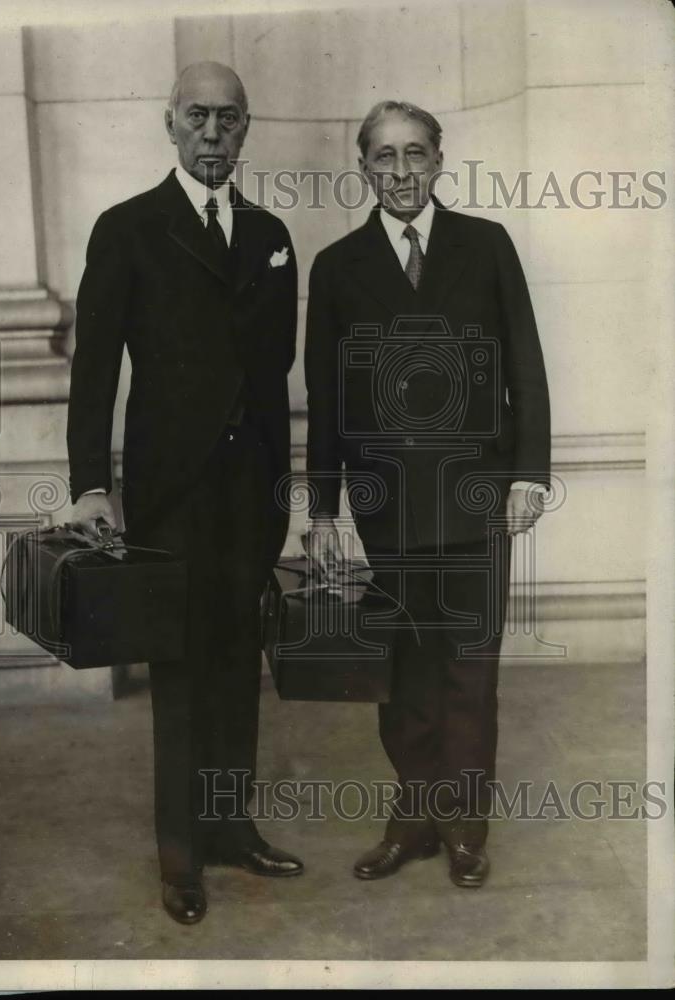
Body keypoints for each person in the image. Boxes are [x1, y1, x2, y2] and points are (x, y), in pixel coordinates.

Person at [67, 61, 303, 925]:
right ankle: (180, 853)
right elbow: (94, 370)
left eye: (229, 119)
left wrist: (289, 485)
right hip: (169, 493)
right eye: (197, 116)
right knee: (179, 668)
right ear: (169, 125)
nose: (213, 132)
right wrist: (91, 484)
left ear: (246, 129)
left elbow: (275, 372)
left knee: (239, 662)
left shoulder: (272, 232)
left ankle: (231, 826)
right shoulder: (127, 229)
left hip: (252, 492)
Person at [305, 100, 551, 888]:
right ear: (364, 167)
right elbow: (327, 398)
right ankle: (411, 821)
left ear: (441, 160)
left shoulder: (486, 246)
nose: (402, 172)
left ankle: (465, 829)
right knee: (405, 671)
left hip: (478, 499)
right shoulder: (338, 267)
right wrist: (322, 509)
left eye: (416, 154)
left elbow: (527, 369)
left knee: (470, 671)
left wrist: (528, 473)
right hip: (389, 509)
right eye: (385, 157)